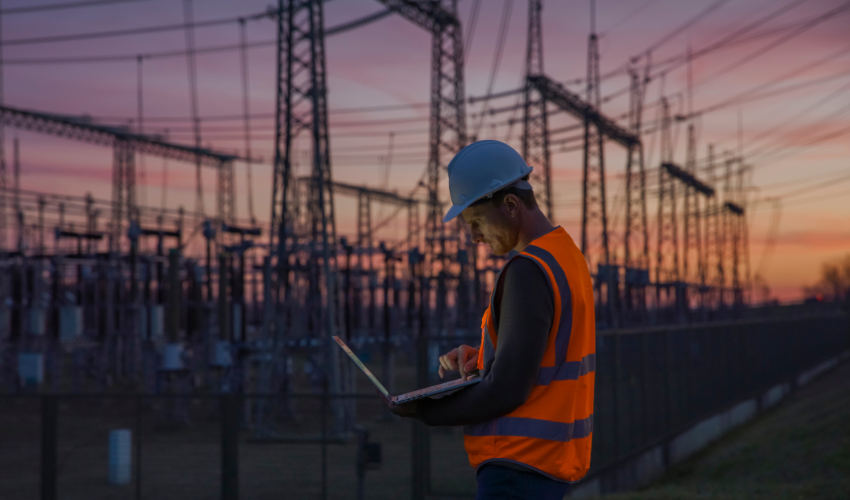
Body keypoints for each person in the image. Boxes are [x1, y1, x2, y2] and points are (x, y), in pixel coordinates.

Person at [384, 140, 596, 499]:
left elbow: (508, 388)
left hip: (517, 468)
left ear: (511, 205)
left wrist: (425, 410)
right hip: (546, 463)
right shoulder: (567, 257)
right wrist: (485, 357)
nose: (474, 237)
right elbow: (545, 355)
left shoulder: (528, 271)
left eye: (477, 221)